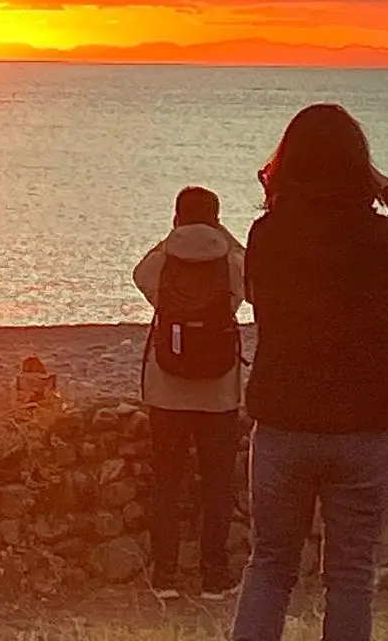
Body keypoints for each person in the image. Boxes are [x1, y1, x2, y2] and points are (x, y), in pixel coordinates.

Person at [232, 105, 388, 641]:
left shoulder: (268, 234)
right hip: (363, 421)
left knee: (270, 566)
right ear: (358, 166)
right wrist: (383, 186)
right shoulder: (376, 236)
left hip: (283, 419)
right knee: (351, 575)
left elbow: (255, 296)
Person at [134, 186, 246, 597]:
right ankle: (213, 577)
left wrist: (174, 238)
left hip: (168, 389)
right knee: (217, 484)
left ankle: (164, 576)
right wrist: (223, 236)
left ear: (177, 216)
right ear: (216, 217)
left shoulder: (163, 260)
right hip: (219, 392)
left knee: (166, 481)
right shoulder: (231, 259)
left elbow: (139, 275)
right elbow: (253, 281)